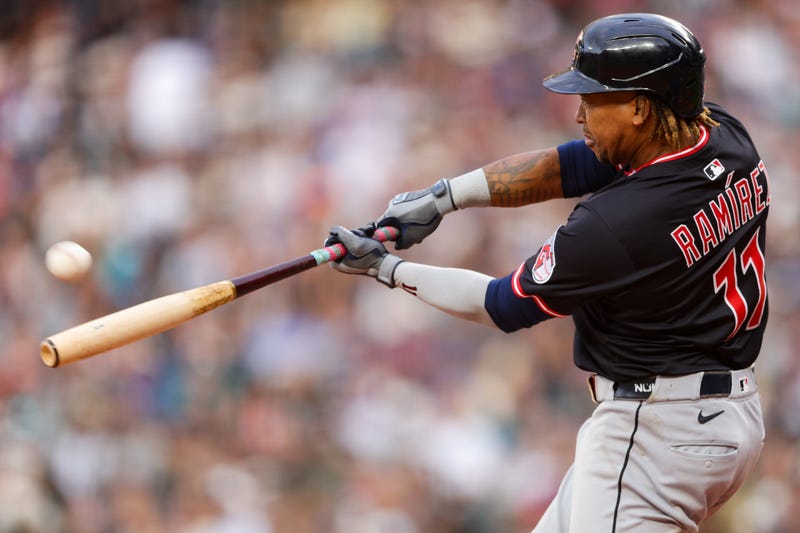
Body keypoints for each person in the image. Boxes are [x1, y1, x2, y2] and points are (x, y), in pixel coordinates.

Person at [325, 13, 770, 532]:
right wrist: (445, 198)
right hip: (727, 415)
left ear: (640, 108)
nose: (579, 115)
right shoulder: (724, 139)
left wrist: (386, 268)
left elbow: (501, 305)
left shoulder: (617, 225)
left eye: (593, 99)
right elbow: (577, 165)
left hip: (656, 434)